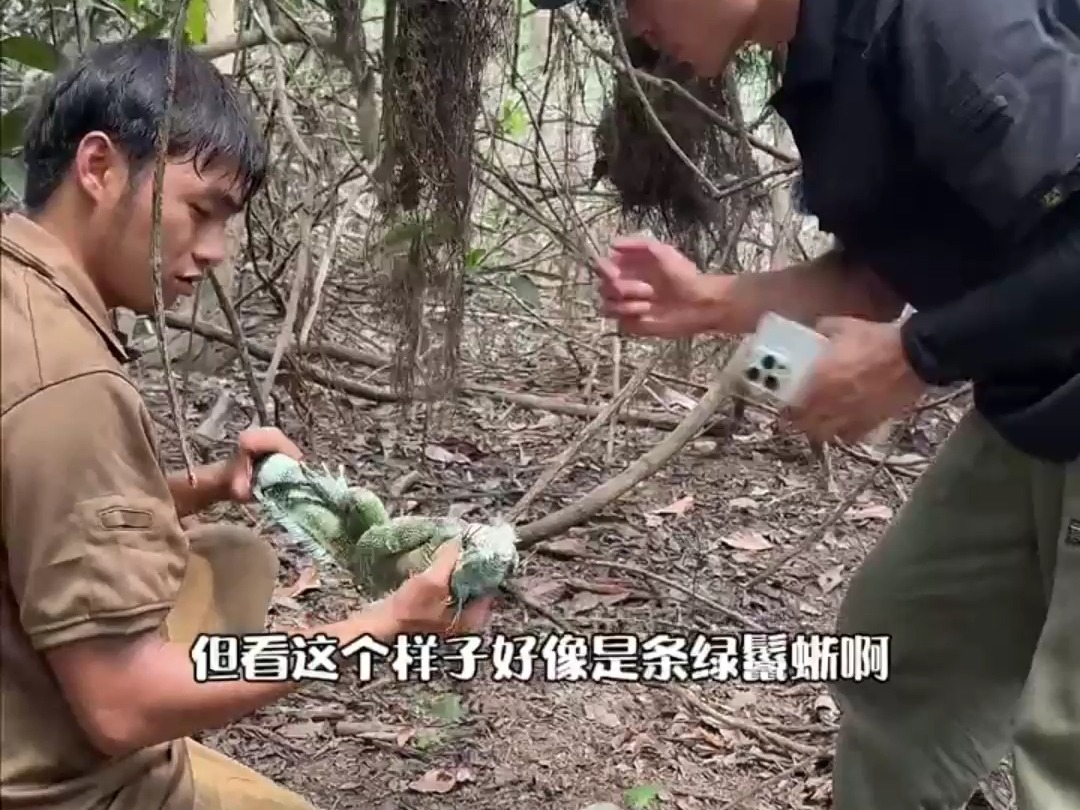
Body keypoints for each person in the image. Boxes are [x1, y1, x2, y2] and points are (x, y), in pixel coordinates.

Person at [528, 0, 1079, 807]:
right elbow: (877, 277)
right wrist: (712, 301)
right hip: (1036, 396)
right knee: (903, 645)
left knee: (1063, 744)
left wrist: (914, 357)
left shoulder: (940, 22)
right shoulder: (830, 59)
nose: (633, 24)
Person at [0, 37, 492, 810]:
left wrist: (211, 485)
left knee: (232, 557)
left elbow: (29, 507)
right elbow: (119, 707)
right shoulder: (68, 381)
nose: (214, 252)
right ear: (98, 169)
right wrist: (384, 621)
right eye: (201, 210)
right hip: (67, 783)